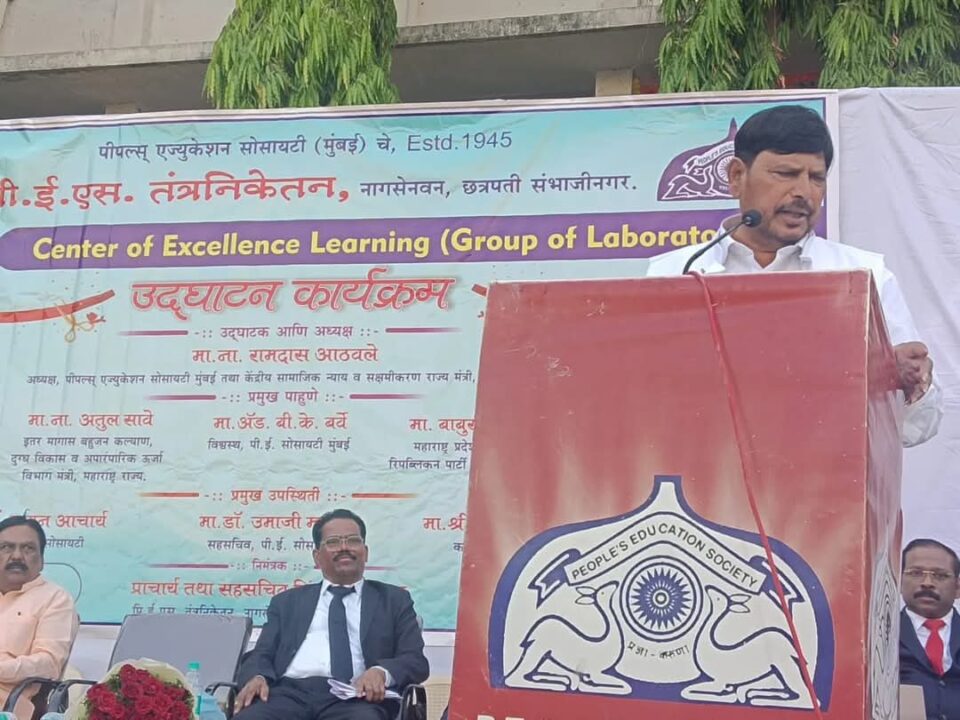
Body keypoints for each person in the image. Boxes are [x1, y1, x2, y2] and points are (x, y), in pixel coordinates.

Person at [646, 104, 942, 447]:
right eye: (786, 173)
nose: (803, 192)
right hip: (707, 471)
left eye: (816, 178)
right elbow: (647, 400)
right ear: (737, 176)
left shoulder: (864, 274)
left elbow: (918, 428)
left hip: (826, 473)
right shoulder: (674, 273)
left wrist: (907, 384)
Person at [234, 509, 429, 720]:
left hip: (356, 698)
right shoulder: (287, 602)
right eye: (333, 542)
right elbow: (261, 653)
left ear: (365, 552)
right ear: (317, 557)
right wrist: (257, 676)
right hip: (287, 695)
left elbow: (415, 660)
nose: (344, 547)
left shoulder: (394, 600)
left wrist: (381, 672)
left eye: (353, 540)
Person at [0, 515, 78, 719]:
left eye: (28, 548)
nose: (17, 556)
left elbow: (48, 664)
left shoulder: (55, 598)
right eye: (6, 547)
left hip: (10, 706)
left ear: (42, 560)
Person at [900, 538, 960, 719]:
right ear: (899, 580)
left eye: (940, 575)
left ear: (958, 587)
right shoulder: (879, 637)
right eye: (916, 573)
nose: (927, 583)